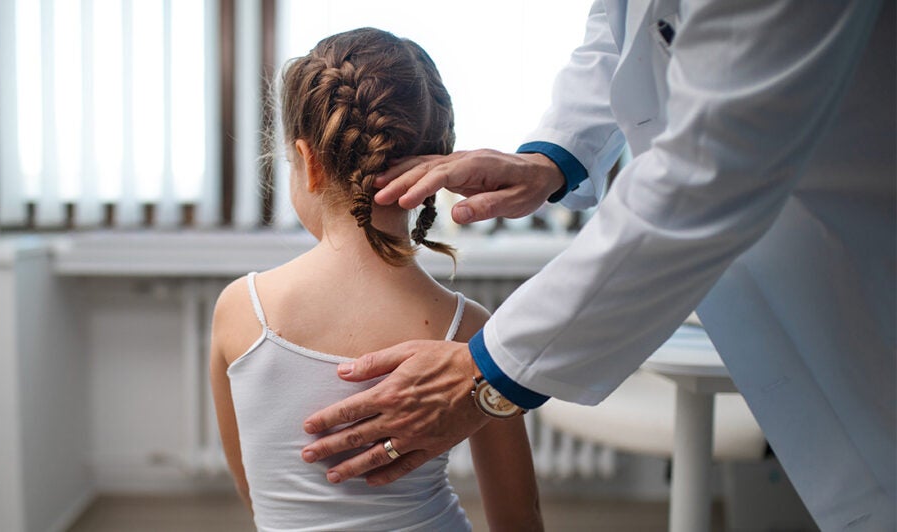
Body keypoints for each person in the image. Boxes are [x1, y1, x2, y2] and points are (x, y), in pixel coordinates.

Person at [299, 2, 896, 530]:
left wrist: (490, 370)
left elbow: (706, 170)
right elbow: (625, 36)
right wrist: (554, 158)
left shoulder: (238, 311)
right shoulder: (461, 320)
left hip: (851, 242)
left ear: (307, 161)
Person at [209, 27, 543, 532]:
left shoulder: (241, 309)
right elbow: (519, 520)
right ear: (439, 164)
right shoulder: (471, 333)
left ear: (308, 161)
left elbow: (254, 494)